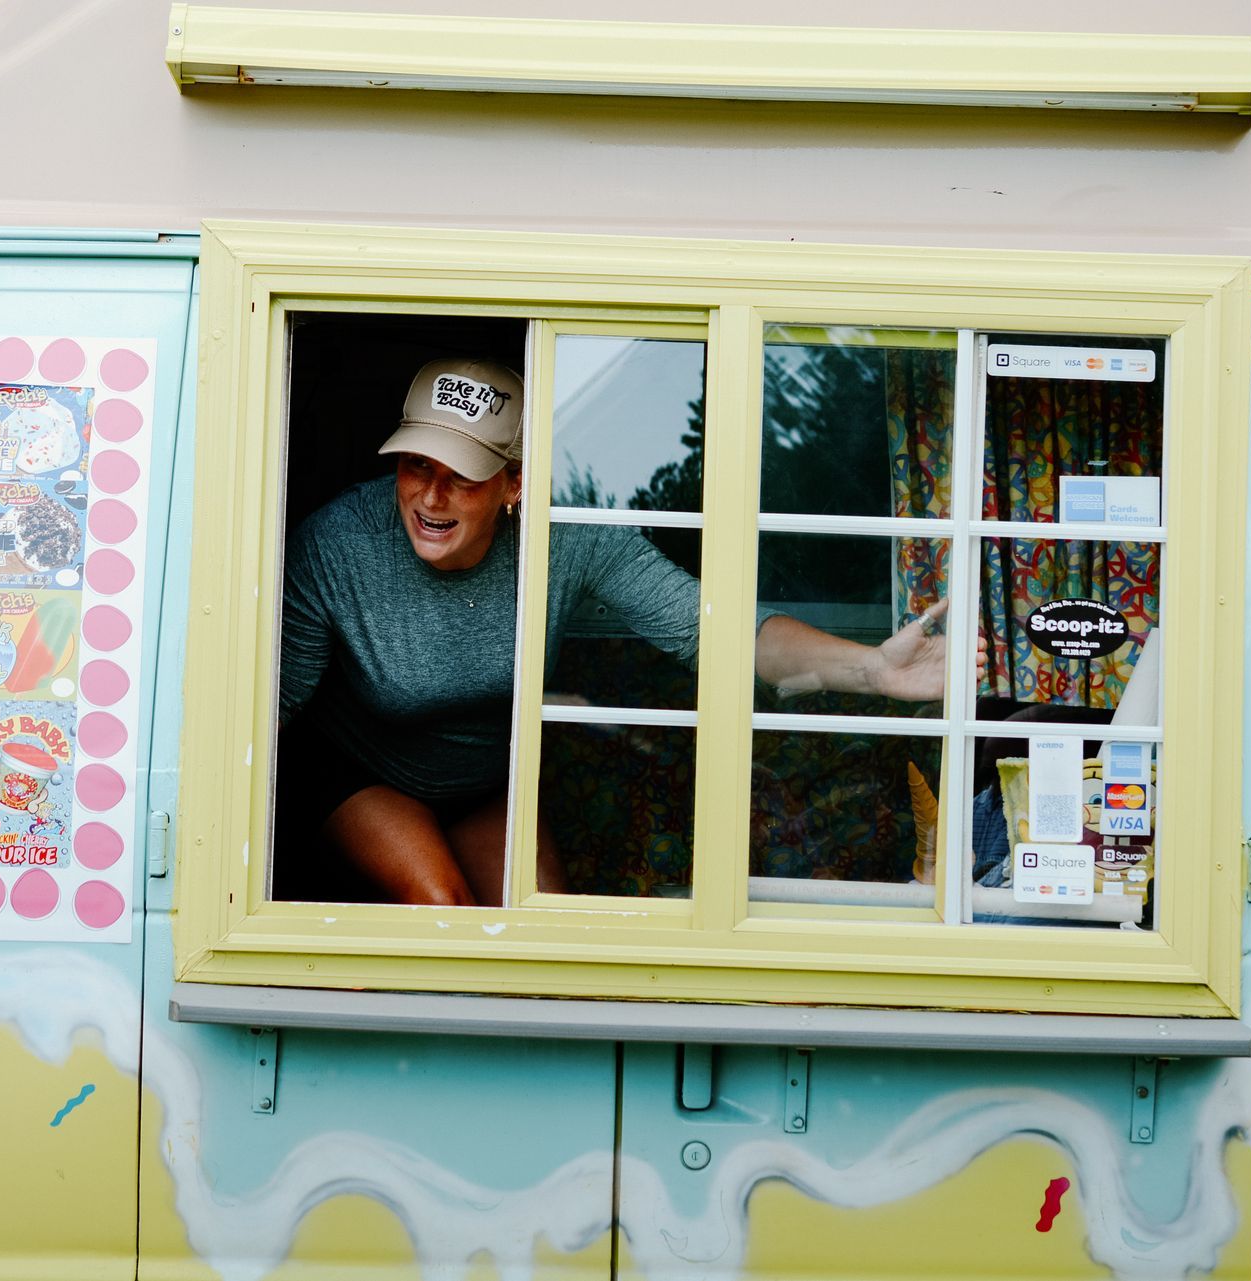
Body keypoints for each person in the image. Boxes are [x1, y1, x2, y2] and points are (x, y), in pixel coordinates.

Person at [277, 356, 957, 907]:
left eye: (464, 477)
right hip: (359, 772)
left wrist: (875, 669)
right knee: (440, 903)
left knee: (545, 920)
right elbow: (274, 707)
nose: (430, 497)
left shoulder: (565, 539)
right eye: (416, 465)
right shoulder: (338, 544)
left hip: (482, 780)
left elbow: (713, 631)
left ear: (514, 485)